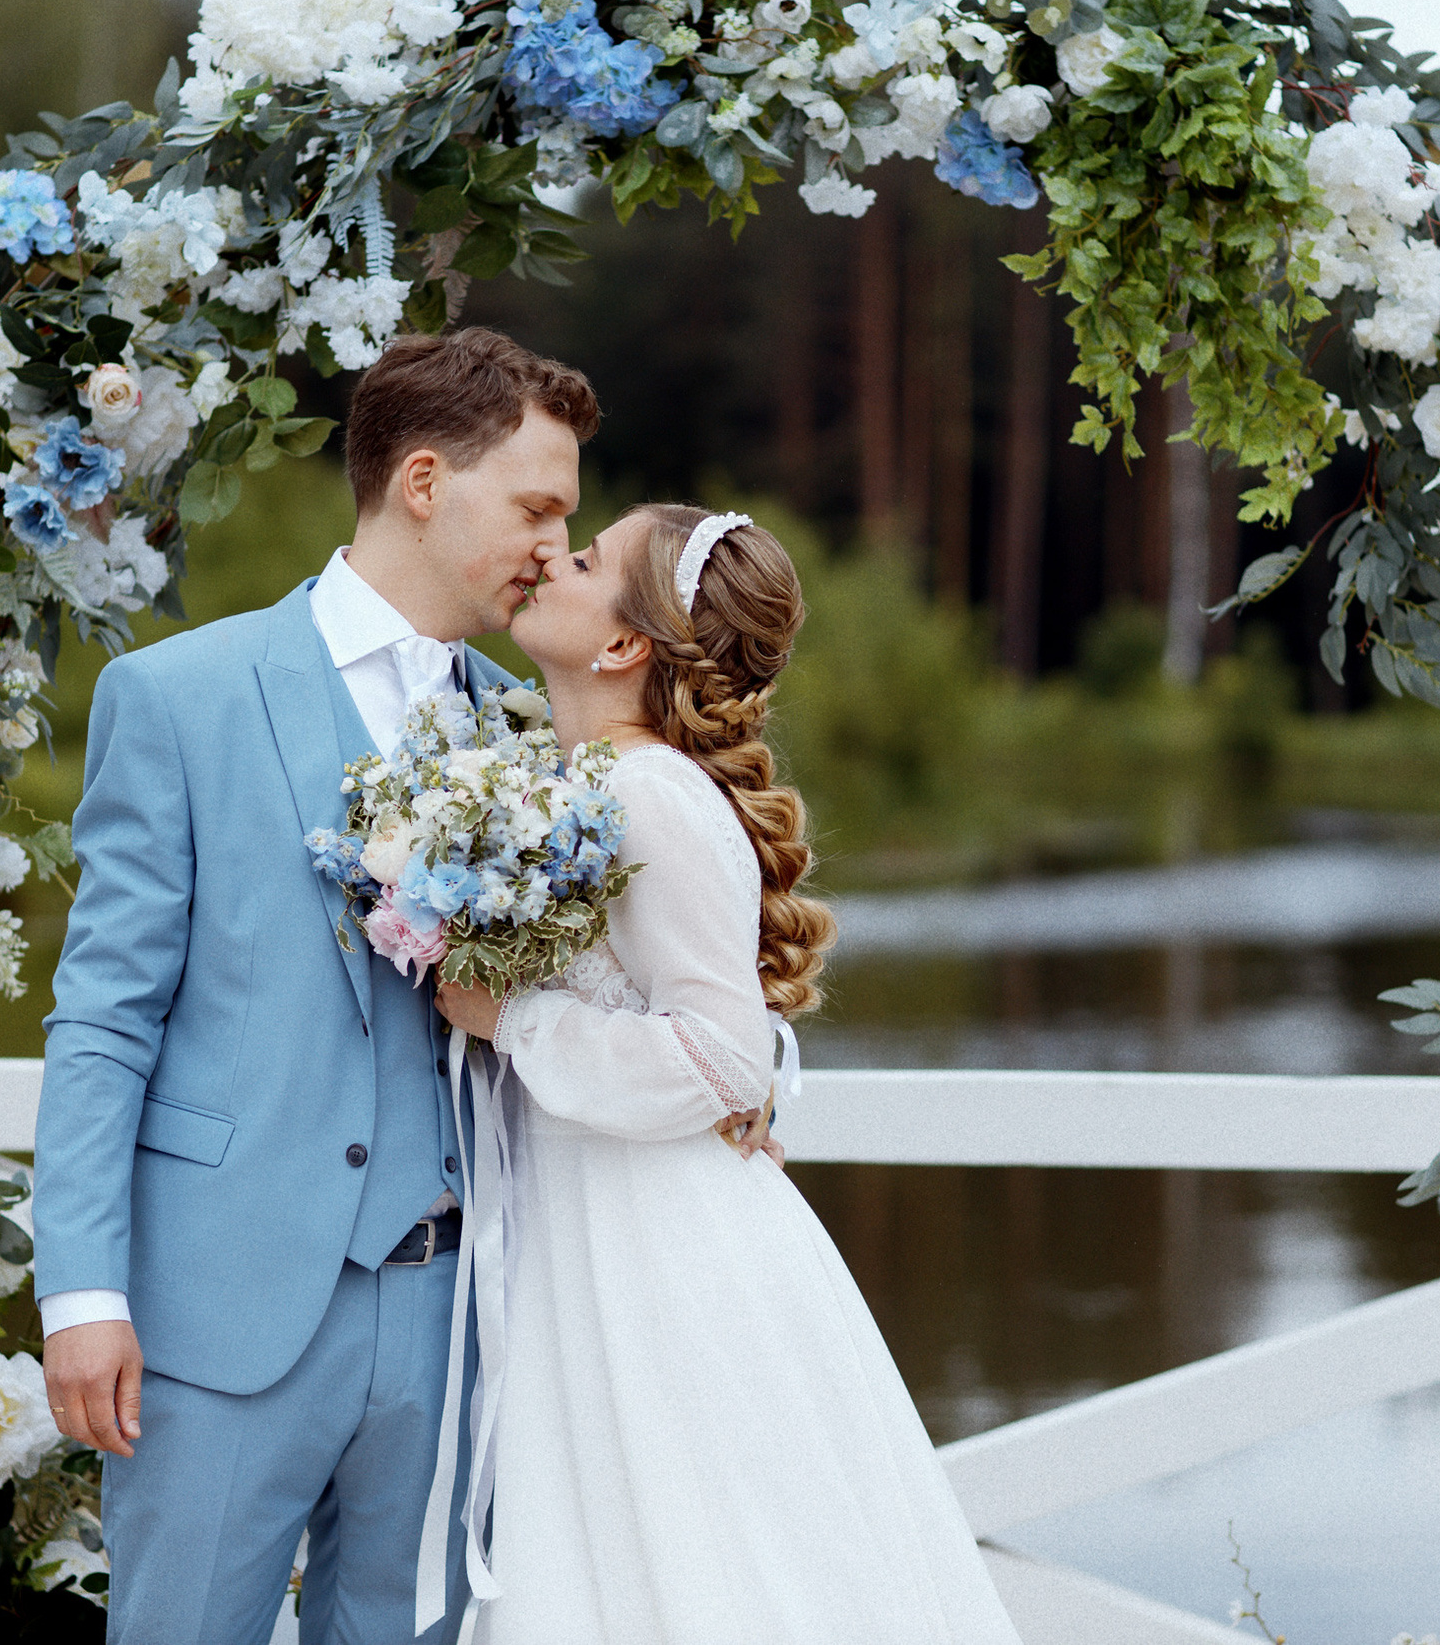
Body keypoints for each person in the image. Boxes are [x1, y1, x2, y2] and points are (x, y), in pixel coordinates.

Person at [32, 327, 598, 1644]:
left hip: (459, 1321)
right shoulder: (177, 697)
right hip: (219, 1312)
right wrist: (84, 1293)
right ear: (419, 481)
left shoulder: (521, 725)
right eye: (536, 506)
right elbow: (105, 1022)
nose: (557, 546)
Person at [435, 504, 1024, 1643]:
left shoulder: (646, 792)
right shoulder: (577, 773)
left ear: (623, 647)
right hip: (580, 1208)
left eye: (590, 556)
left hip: (640, 1237)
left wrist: (512, 1019)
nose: (556, 554)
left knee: (695, 1558)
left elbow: (719, 1052)